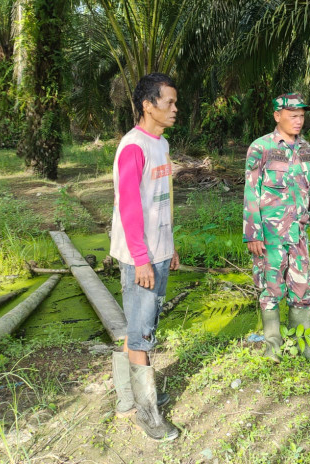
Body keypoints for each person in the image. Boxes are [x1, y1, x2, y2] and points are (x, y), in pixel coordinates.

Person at [109, 73, 181, 441]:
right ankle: (148, 413)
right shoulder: (133, 146)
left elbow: (160, 199)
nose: (175, 108)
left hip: (157, 249)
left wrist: (170, 246)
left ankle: (127, 399)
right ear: (147, 105)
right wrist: (140, 260)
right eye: (168, 102)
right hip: (140, 256)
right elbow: (130, 209)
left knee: (139, 325)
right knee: (142, 335)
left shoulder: (161, 145)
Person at [243, 93, 310, 363]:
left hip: (298, 233)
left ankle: (304, 347)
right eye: (293, 115)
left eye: (301, 115)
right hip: (270, 236)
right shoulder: (261, 148)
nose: (298, 120)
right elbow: (251, 192)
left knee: (302, 289)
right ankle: (273, 349)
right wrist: (252, 234)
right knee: (271, 291)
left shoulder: (306, 150)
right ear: (277, 116)